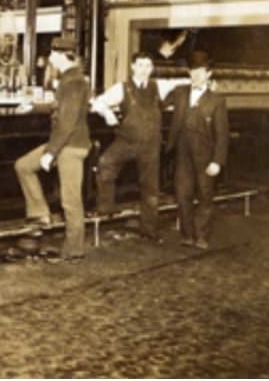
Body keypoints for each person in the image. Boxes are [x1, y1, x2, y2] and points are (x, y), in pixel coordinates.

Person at [14, 36, 91, 261]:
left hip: (71, 146)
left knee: (70, 200)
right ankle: (39, 215)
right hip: (64, 143)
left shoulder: (74, 82)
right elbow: (59, 107)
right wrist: (33, 107)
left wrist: (51, 152)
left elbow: (67, 121)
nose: (49, 58)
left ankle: (74, 250)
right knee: (23, 166)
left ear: (60, 56)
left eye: (51, 54)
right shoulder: (70, 79)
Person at [90, 51, 177, 244]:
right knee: (105, 163)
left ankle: (150, 230)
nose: (144, 70)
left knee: (150, 189)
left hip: (151, 145)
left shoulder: (158, 86)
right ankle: (106, 209)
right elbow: (97, 102)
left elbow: (181, 86)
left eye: (148, 66)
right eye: (140, 65)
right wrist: (107, 113)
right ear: (133, 67)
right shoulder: (122, 88)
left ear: (152, 68)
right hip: (126, 142)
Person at [164, 50, 229, 250]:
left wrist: (217, 161)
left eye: (201, 71)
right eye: (193, 71)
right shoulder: (180, 92)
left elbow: (222, 134)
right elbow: (160, 102)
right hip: (182, 152)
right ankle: (187, 235)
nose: (196, 75)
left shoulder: (217, 100)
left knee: (205, 195)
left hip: (205, 154)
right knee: (182, 194)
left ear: (209, 74)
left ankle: (201, 236)